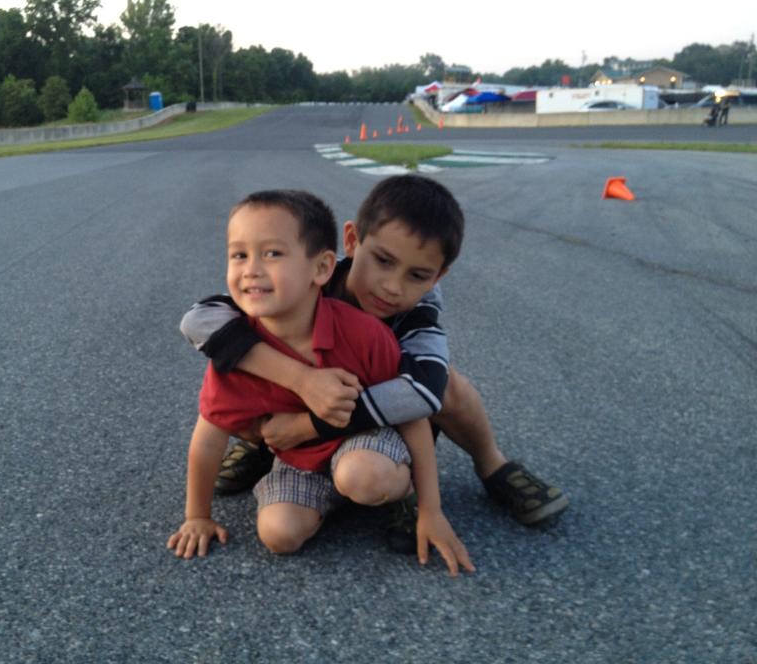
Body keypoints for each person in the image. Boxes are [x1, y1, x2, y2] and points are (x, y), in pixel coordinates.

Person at [180, 175, 568, 539]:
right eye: (382, 260)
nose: (392, 287)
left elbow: (424, 393)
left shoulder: (418, 311)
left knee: (446, 383)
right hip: (290, 411)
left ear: (438, 277)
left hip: (373, 423)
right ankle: (262, 449)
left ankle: (492, 466)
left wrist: (310, 426)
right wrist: (300, 381)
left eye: (417, 275)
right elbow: (199, 321)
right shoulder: (310, 280)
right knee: (240, 367)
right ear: (351, 241)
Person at [167, 189, 473, 574]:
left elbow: (413, 412)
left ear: (322, 268)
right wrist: (197, 515)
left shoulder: (364, 333)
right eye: (239, 255)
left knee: (364, 474)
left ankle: (403, 493)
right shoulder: (235, 346)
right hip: (300, 458)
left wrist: (432, 509)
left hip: (365, 444)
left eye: (273, 254)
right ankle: (329, 496)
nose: (252, 270)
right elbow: (208, 437)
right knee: (279, 535)